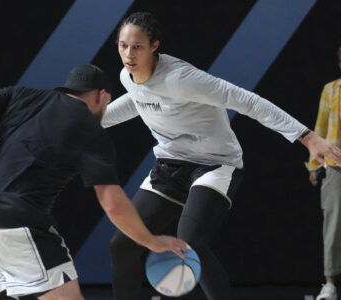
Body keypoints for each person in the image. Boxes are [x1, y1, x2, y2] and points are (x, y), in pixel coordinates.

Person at [101, 12, 341, 300]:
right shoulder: (127, 76)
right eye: (123, 45)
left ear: (154, 46)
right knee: (122, 244)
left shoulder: (182, 79)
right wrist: (89, 120)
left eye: (137, 46)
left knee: (190, 241)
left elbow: (246, 100)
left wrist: (308, 137)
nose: (129, 54)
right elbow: (138, 100)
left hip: (215, 164)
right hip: (170, 165)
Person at [0, 63, 189, 300]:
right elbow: (113, 203)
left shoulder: (23, 95)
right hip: (16, 224)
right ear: (101, 96)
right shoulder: (88, 127)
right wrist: (151, 241)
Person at [308, 46, 341, 300]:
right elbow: (319, 128)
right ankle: (329, 283)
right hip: (336, 165)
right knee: (333, 224)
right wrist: (313, 165)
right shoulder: (330, 89)